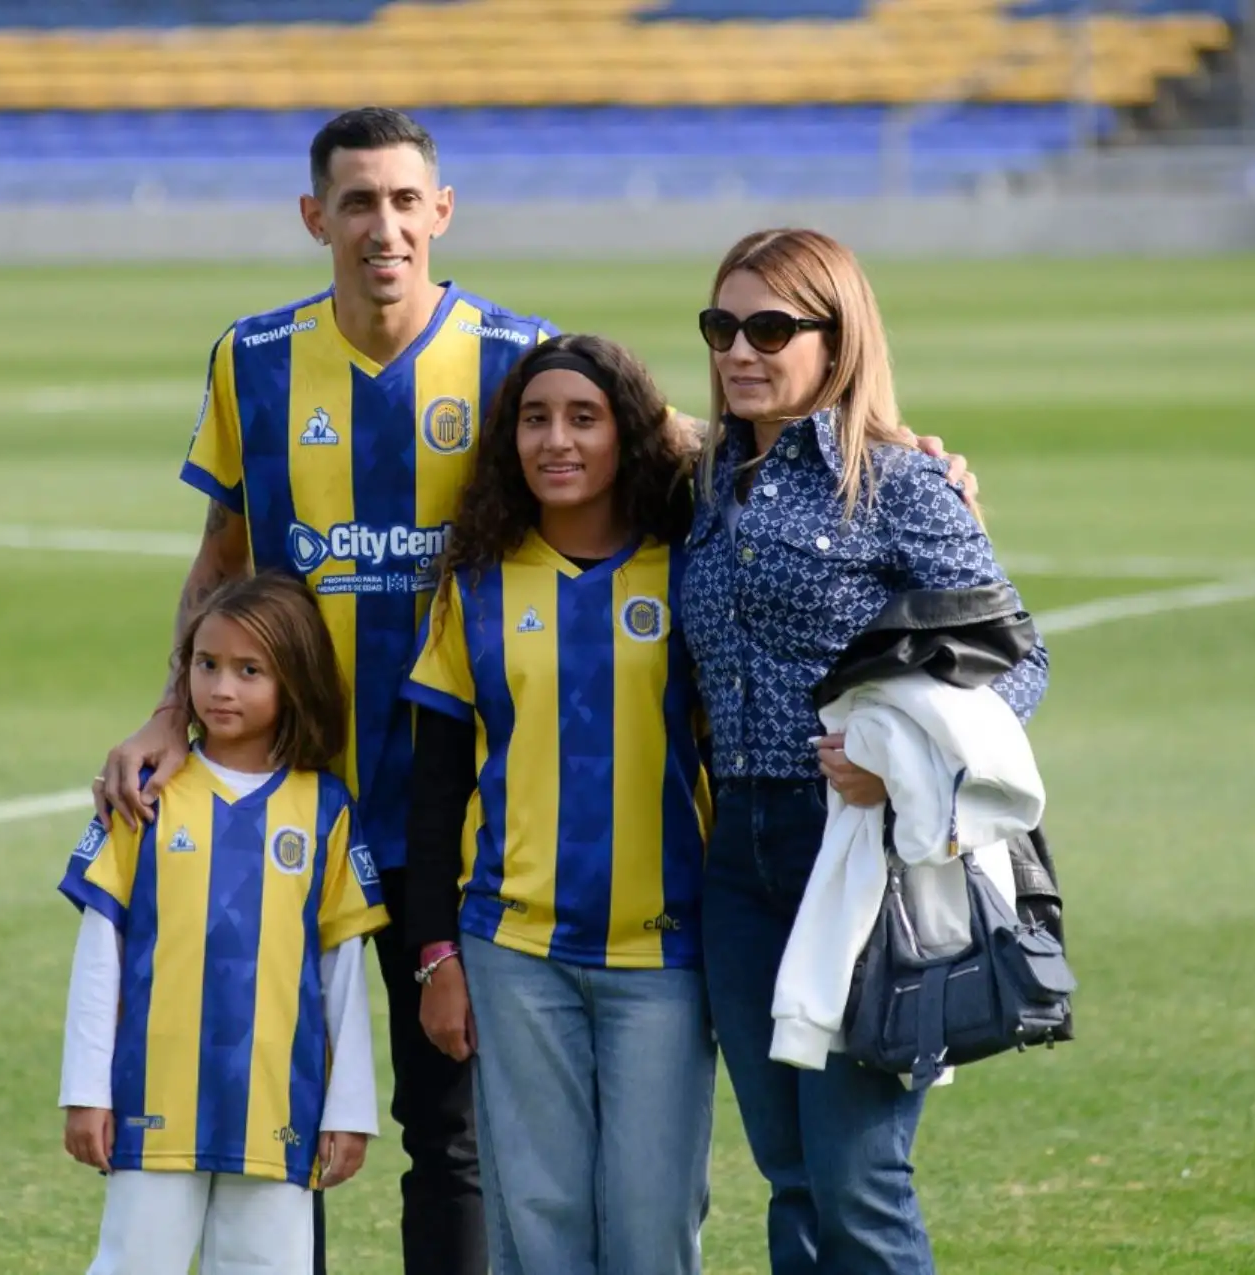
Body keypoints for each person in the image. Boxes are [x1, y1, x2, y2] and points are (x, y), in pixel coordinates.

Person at [90, 105, 979, 1275]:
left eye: (407, 201)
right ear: (317, 217)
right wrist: (170, 705)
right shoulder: (250, 359)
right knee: (273, 1117)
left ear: (442, 212)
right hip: (291, 792)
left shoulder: (516, 355)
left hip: (454, 825)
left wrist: (871, 442)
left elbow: (677, 435)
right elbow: (226, 554)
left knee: (449, 1138)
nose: (385, 227)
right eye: (358, 202)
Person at [677, 227, 1051, 1275]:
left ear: (837, 339)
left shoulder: (897, 483)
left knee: (857, 1183)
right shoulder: (705, 481)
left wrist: (902, 762)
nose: (740, 350)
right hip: (735, 860)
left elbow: (1017, 661)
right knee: (791, 1177)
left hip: (855, 855)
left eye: (769, 328)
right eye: (721, 327)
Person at [403, 335, 715, 1275]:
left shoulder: (690, 572)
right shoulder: (476, 584)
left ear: (630, 434)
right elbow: (435, 788)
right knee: (537, 1231)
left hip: (664, 953)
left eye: (586, 417)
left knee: (651, 1229)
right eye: (536, 419)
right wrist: (435, 957)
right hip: (514, 955)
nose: (557, 440)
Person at [56, 573, 388, 1275]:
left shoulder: (326, 809)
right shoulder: (146, 794)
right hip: (154, 1100)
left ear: (293, 680)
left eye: (249, 670)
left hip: (277, 1103)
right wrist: (86, 1089)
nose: (222, 689)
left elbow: (344, 974)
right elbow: (100, 956)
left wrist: (349, 1107)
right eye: (207, 664)